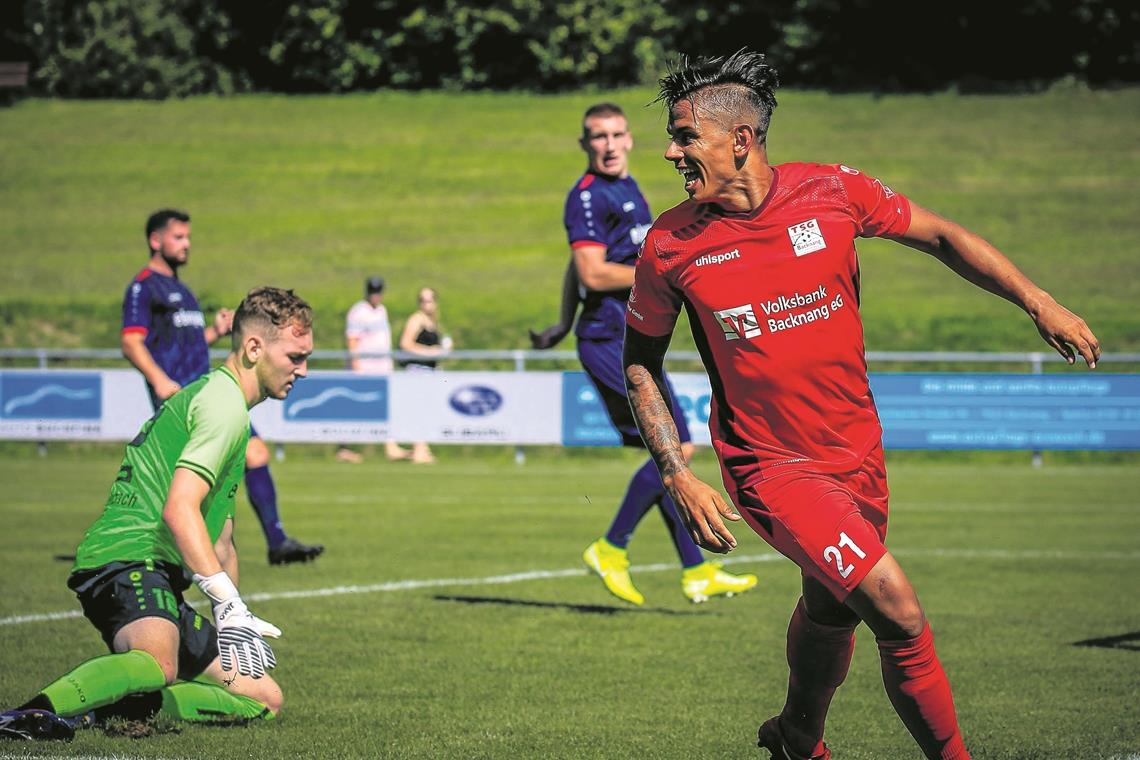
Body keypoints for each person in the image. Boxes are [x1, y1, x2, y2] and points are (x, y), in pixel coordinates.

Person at [623, 50, 1101, 760]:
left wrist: (1038, 301)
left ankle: (796, 738)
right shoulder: (668, 244)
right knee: (898, 613)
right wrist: (674, 469)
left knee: (830, 608)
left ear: (741, 140)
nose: (670, 151)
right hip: (771, 467)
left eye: (685, 135)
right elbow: (640, 363)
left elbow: (940, 234)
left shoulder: (832, 191)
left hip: (859, 455)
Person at [0, 287, 315, 741]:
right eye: (296, 356)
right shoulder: (223, 406)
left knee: (263, 698)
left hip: (158, 573)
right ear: (253, 347)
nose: (303, 370)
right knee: (159, 662)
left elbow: (221, 538)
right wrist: (225, 600)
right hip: (126, 557)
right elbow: (179, 509)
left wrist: (233, 620)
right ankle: (26, 714)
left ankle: (106, 713)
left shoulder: (230, 410)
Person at [529, 102, 758, 606]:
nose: (608, 144)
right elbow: (590, 272)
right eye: (597, 137)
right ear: (585, 145)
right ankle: (612, 547)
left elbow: (578, 269)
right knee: (677, 449)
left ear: (630, 140)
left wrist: (560, 322)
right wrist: (666, 272)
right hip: (608, 341)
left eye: (616, 134)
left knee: (668, 454)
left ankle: (696, 572)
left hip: (622, 337)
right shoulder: (587, 197)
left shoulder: (627, 189)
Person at [121, 209, 323, 565]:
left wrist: (214, 332)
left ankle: (275, 542)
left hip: (208, 392)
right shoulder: (144, 287)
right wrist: (160, 381)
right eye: (178, 237)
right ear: (156, 240)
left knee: (250, 458)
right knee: (198, 493)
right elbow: (132, 342)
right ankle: (156, 555)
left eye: (188, 237)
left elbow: (187, 344)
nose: (186, 244)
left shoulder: (182, 291)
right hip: (183, 400)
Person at [340, 275, 409, 463]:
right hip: (365, 368)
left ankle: (390, 446)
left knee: (387, 406)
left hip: (382, 368)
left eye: (378, 292)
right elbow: (352, 341)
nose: (375, 296)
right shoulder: (358, 312)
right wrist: (357, 368)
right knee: (353, 408)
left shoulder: (382, 311)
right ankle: (344, 448)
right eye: (373, 292)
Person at [398, 286, 452, 464]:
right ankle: (418, 450)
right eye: (422, 300)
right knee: (419, 410)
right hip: (418, 371)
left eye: (429, 300)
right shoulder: (416, 319)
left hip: (430, 372)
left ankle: (422, 448)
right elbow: (406, 344)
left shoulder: (433, 321)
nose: (426, 304)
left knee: (427, 411)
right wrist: (430, 352)